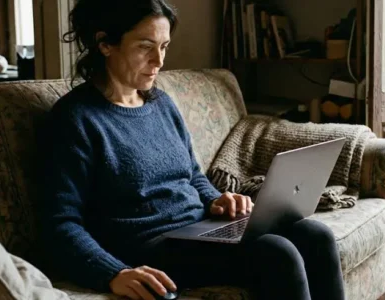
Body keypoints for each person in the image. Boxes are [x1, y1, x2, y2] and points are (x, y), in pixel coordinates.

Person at [37, 1, 346, 299]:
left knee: (315, 235)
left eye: (164, 46)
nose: (158, 61)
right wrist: (114, 273)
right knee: (277, 253)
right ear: (105, 43)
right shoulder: (76, 119)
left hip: (198, 230)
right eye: (145, 46)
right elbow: (60, 223)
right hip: (148, 245)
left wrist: (216, 199)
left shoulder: (160, 103)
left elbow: (192, 175)